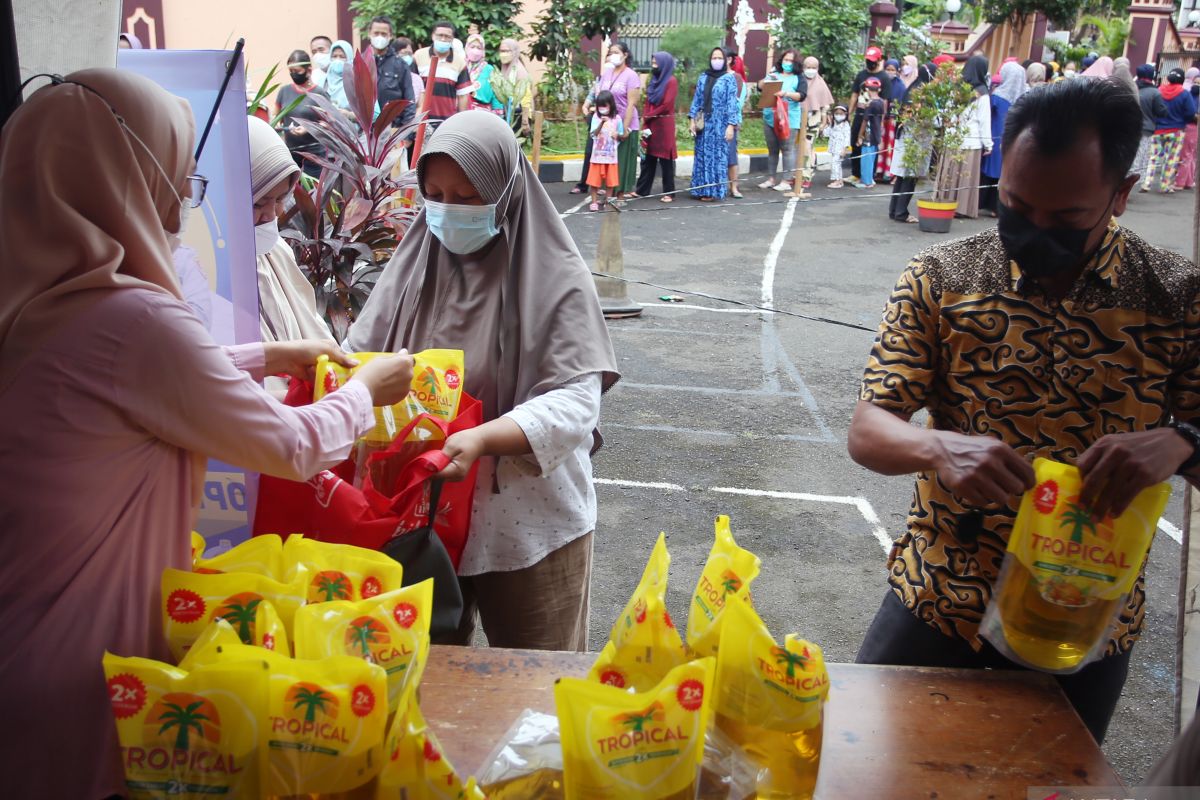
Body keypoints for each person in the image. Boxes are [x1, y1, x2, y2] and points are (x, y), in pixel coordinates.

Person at [0, 69, 415, 798]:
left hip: (22, 640)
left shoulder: (36, 299)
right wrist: (364, 390)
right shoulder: (135, 320)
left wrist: (267, 354)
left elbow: (124, 390)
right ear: (126, 174)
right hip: (88, 666)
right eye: (173, 174)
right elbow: (292, 446)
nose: (177, 198)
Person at [849, 77, 1200, 745]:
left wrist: (1183, 441)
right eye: (1015, 204)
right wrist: (936, 448)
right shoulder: (940, 277)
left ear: (1120, 196)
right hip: (939, 600)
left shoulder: (1177, 299)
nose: (1033, 231)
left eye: (1066, 218)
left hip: (1084, 625)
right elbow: (869, 431)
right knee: (867, 776)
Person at [346, 111, 620, 653]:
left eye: (469, 197)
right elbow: (359, 356)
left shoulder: (556, 280)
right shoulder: (411, 267)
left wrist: (483, 438)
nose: (448, 211)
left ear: (507, 191)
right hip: (420, 519)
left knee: (537, 690)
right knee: (430, 687)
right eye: (436, 194)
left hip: (527, 527)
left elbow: (574, 404)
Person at [246, 116, 335, 362]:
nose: (272, 214)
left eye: (279, 199)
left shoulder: (276, 250)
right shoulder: (205, 272)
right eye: (257, 202)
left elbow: (310, 324)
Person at [689, 47, 741, 202]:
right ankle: (701, 189)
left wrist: (731, 125)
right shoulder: (703, 77)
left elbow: (732, 103)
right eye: (714, 57)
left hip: (720, 123)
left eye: (719, 57)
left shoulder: (728, 78)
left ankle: (714, 190)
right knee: (702, 155)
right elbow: (697, 100)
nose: (716, 60)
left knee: (717, 156)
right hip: (704, 123)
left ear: (725, 60)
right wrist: (692, 120)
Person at [944, 53, 992, 218]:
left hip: (952, 138)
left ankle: (945, 202)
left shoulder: (955, 88)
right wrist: (989, 144)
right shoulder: (982, 93)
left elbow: (947, 114)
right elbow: (984, 121)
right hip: (971, 140)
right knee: (965, 176)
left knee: (950, 173)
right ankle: (962, 208)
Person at [889, 62, 937, 222]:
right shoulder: (923, 94)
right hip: (916, 139)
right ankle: (901, 212)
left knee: (903, 175)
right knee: (909, 176)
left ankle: (895, 210)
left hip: (906, 138)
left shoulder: (912, 89)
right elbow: (927, 119)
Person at [979, 60, 1026, 216]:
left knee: (990, 172)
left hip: (996, 137)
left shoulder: (997, 96)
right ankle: (998, 207)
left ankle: (984, 203)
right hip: (1013, 140)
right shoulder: (1024, 98)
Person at [595, 42, 641, 199]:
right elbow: (600, 96)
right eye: (610, 53)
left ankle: (620, 194)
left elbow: (631, 104)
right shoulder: (607, 73)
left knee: (622, 160)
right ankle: (609, 193)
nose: (612, 55)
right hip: (608, 124)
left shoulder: (631, 76)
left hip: (625, 123)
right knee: (608, 159)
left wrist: (625, 129)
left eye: (616, 52)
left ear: (625, 55)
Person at [758, 48, 808, 194]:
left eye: (791, 61)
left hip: (789, 117)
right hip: (770, 115)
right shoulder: (774, 75)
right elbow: (760, 87)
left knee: (787, 149)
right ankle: (771, 178)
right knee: (772, 149)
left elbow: (802, 95)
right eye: (786, 60)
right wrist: (766, 79)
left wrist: (786, 93)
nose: (788, 63)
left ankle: (786, 180)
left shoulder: (799, 77)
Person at [275, 49, 328, 178]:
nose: (294, 75)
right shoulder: (284, 91)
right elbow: (277, 120)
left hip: (314, 155)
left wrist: (308, 128)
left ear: (309, 70)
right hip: (290, 154)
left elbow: (328, 123)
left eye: (297, 72)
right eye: (291, 72)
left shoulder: (319, 93)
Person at [1142, 67, 1197, 193]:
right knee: (1170, 159)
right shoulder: (1184, 94)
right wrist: (1183, 120)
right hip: (1176, 130)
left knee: (1153, 158)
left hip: (1157, 130)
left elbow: (1153, 109)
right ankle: (1165, 185)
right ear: (1182, 79)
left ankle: (1147, 183)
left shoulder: (1159, 91)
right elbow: (1190, 113)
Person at [635, 51, 679, 202]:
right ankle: (642, 190)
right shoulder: (653, 80)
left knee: (666, 160)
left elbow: (667, 105)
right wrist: (646, 118)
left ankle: (669, 192)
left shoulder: (671, 81)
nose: (654, 66)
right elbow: (648, 100)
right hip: (651, 124)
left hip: (664, 125)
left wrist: (649, 115)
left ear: (664, 64)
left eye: (656, 63)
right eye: (652, 63)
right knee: (648, 158)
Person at [413, 20, 472, 124]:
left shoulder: (460, 62)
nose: (443, 39)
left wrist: (461, 121)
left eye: (447, 36)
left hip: (446, 121)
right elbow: (411, 88)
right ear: (433, 36)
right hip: (420, 120)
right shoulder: (418, 56)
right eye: (440, 35)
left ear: (452, 39)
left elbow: (463, 96)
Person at [848, 45, 891, 186]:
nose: (870, 63)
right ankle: (855, 173)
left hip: (873, 117)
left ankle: (868, 176)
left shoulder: (884, 77)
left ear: (879, 60)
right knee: (855, 141)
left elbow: (884, 101)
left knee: (870, 145)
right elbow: (854, 95)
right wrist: (850, 113)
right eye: (868, 60)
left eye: (872, 60)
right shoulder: (861, 75)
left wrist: (881, 121)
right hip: (860, 113)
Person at [367, 16, 417, 129]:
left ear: (390, 36)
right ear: (369, 34)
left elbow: (409, 101)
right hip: (364, 131)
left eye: (384, 34)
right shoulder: (361, 64)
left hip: (392, 130)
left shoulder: (400, 65)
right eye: (376, 33)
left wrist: (406, 133)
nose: (379, 37)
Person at [799, 56, 834, 193]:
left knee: (808, 147)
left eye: (814, 67)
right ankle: (797, 174)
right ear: (803, 67)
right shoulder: (799, 80)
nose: (811, 70)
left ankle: (806, 176)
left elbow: (824, 105)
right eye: (808, 67)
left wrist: (824, 121)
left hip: (813, 121)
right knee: (798, 149)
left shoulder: (820, 83)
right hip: (798, 120)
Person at [586, 90, 623, 211]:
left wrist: (617, 134)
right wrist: (601, 123)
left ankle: (608, 201)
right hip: (597, 155)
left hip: (611, 155)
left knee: (610, 181)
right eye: (600, 106)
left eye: (605, 105)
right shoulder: (596, 118)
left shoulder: (617, 118)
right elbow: (594, 134)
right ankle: (594, 201)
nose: (602, 108)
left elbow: (621, 135)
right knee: (594, 181)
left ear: (611, 105)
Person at [1134, 64, 1168, 182]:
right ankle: (1132, 183)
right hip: (1145, 129)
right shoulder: (1154, 92)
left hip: (1129, 127)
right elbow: (1161, 111)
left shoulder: (1131, 88)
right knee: (1140, 157)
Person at [493, 38, 534, 136]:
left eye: (507, 51)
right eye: (502, 51)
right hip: (509, 113)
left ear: (515, 52)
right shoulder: (506, 69)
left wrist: (525, 121)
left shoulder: (519, 71)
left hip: (519, 114)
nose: (503, 54)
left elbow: (526, 97)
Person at [724, 49, 750, 199]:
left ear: (728, 60)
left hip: (730, 122)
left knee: (731, 156)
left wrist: (728, 120)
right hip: (713, 122)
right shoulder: (713, 76)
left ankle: (734, 187)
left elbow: (737, 103)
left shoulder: (737, 78)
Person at [878, 58, 905, 181]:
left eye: (892, 70)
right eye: (887, 69)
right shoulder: (881, 83)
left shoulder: (900, 86)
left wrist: (893, 115)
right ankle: (879, 172)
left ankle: (890, 173)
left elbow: (900, 104)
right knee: (880, 146)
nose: (889, 72)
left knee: (890, 146)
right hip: (881, 120)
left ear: (897, 71)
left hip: (892, 122)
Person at [857, 77, 885, 188]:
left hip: (868, 135)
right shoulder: (881, 102)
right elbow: (881, 118)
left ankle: (866, 181)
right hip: (876, 132)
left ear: (867, 90)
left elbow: (865, 121)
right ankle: (870, 179)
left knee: (866, 158)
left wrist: (860, 135)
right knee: (872, 157)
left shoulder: (870, 104)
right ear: (879, 90)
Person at [464, 33, 502, 113]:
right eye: (472, 47)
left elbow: (497, 94)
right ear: (466, 48)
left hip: (483, 113)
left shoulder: (489, 70)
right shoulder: (461, 66)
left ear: (483, 51)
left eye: (479, 48)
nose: (475, 50)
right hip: (462, 111)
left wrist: (498, 112)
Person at [1177, 67, 1200, 190]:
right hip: (1194, 127)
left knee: (1185, 155)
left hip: (1188, 126)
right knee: (1191, 155)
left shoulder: (1186, 92)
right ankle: (1189, 181)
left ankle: (1180, 182)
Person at [322, 40, 355, 113]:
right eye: (334, 56)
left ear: (349, 59)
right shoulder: (323, 81)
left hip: (350, 124)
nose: (337, 60)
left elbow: (373, 113)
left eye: (342, 57)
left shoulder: (357, 83)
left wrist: (349, 115)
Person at [823, 104, 852, 188]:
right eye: (837, 113)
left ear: (845, 114)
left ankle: (837, 181)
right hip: (833, 147)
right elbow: (826, 133)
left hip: (840, 147)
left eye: (841, 114)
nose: (838, 115)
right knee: (836, 163)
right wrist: (827, 123)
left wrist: (845, 149)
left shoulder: (845, 124)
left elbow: (847, 137)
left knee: (835, 163)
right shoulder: (833, 123)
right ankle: (839, 179)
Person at [394, 36, 424, 103]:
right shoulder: (386, 76)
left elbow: (420, 105)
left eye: (410, 53)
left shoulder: (417, 79)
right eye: (404, 53)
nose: (407, 56)